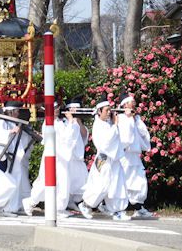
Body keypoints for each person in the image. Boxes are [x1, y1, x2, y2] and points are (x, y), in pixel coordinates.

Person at [77, 93, 131, 221]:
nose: (109, 113)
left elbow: (119, 140)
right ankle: (86, 204)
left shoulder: (108, 124)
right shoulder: (98, 126)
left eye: (109, 110)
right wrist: (115, 125)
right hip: (103, 158)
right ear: (99, 111)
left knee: (117, 185)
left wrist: (115, 125)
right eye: (106, 110)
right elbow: (105, 143)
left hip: (114, 159)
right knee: (101, 184)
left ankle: (117, 210)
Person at [23, 100, 77, 218]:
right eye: (55, 108)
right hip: (53, 156)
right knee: (46, 182)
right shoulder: (48, 123)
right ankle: (30, 202)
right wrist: (71, 122)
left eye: (57, 107)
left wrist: (71, 123)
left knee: (63, 182)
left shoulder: (59, 122)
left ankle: (59, 208)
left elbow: (67, 139)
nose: (57, 110)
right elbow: (62, 139)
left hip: (61, 157)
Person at [117, 92, 153, 218]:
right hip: (124, 155)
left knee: (139, 181)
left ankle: (139, 207)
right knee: (122, 181)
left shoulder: (136, 118)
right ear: (125, 104)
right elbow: (125, 137)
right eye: (131, 102)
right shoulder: (120, 118)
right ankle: (116, 208)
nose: (134, 104)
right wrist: (128, 119)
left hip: (134, 157)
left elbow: (144, 135)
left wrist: (134, 119)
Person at [63, 96, 89, 210]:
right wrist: (71, 121)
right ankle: (66, 201)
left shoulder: (79, 123)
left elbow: (84, 135)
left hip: (78, 157)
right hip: (68, 156)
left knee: (80, 181)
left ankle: (74, 201)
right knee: (68, 181)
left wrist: (78, 120)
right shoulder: (64, 123)